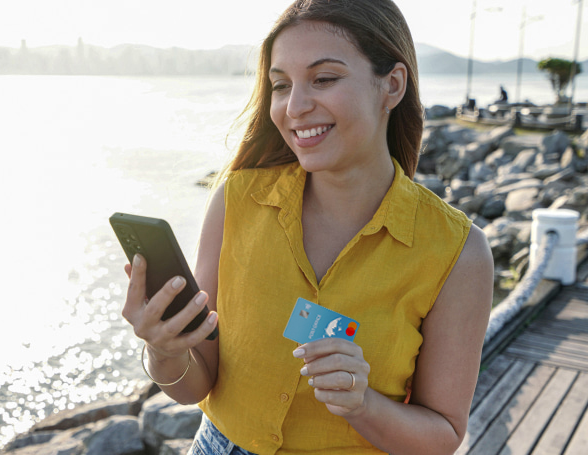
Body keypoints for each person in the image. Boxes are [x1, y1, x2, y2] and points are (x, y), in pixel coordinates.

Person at [121, 0, 493, 453]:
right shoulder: (236, 200)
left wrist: (362, 404)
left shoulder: (458, 253)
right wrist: (164, 349)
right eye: (280, 85)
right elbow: (195, 384)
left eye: (324, 79)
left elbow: (443, 438)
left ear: (391, 85)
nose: (294, 107)